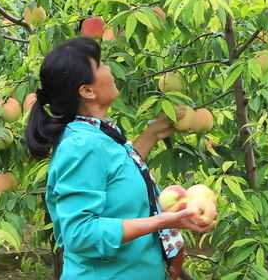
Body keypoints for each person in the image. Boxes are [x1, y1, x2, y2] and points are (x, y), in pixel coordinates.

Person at [25, 37, 215, 279]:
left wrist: (153, 133)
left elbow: (118, 174)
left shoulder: (97, 133)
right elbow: (80, 234)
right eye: (101, 64)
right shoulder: (82, 145)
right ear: (87, 91)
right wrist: (163, 221)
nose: (109, 68)